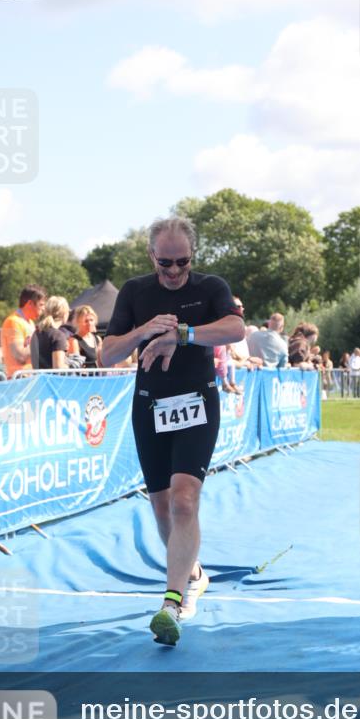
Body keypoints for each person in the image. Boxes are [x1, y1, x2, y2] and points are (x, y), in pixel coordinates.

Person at [100, 215, 244, 647]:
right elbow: (107, 355)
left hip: (197, 403)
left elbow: (236, 329)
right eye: (166, 264)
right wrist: (146, 331)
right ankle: (194, 573)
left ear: (192, 257)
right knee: (162, 509)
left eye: (183, 262)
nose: (175, 272)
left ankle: (172, 601)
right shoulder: (134, 292)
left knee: (185, 500)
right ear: (151, 256)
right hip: (150, 407)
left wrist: (182, 334)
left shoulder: (210, 287)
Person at [0, 285, 46, 378]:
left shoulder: (30, 323)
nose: (43, 308)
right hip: (18, 379)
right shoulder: (12, 321)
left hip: (29, 377)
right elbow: (19, 355)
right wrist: (43, 345)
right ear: (29, 303)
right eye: (41, 305)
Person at [31, 296, 71, 370]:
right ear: (64, 314)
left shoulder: (36, 333)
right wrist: (72, 365)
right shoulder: (58, 336)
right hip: (53, 381)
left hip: (39, 379)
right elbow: (58, 368)